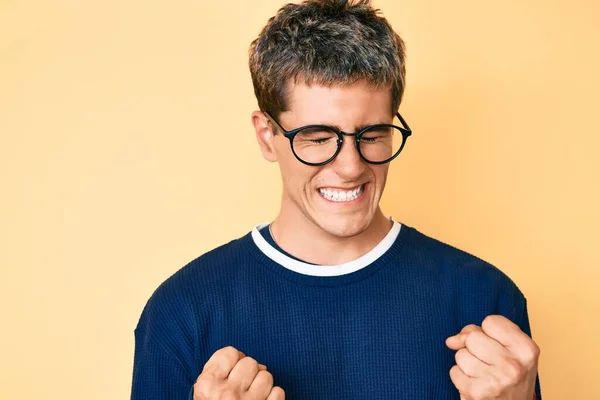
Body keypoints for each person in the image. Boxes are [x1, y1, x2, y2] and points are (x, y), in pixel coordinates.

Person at [130, 0, 542, 398]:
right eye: (318, 138)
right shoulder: (181, 311)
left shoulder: (485, 298)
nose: (350, 167)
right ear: (266, 136)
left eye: (373, 135)